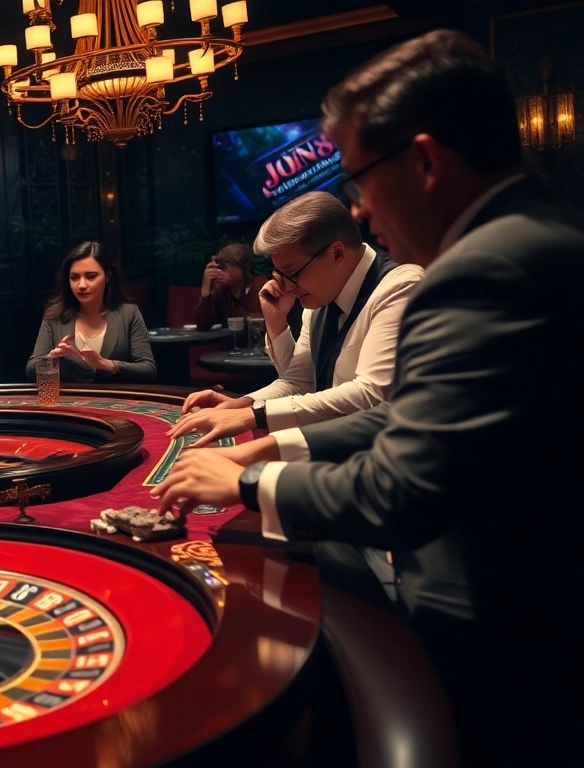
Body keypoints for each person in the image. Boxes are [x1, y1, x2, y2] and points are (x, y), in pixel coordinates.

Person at [152, 30, 580, 764]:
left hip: (513, 641)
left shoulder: (478, 272)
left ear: (423, 160)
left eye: (359, 178)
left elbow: (403, 488)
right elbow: (411, 417)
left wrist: (248, 480)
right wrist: (274, 440)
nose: (357, 210)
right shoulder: (542, 236)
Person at [169, 192, 422, 446]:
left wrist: (253, 415)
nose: (286, 286)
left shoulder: (400, 287)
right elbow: (300, 383)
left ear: (336, 254)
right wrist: (240, 404)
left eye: (292, 273)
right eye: (279, 274)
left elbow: (370, 395)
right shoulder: (322, 294)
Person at [25, 241, 156, 383]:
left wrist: (105, 364)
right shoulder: (55, 316)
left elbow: (148, 371)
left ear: (107, 276)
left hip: (118, 402)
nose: (81, 285)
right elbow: (31, 369)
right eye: (74, 278)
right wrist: (51, 358)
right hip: (70, 401)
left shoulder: (128, 314)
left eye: (90, 276)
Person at [194, 243, 265, 331]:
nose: (221, 271)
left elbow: (262, 322)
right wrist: (205, 291)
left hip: (257, 343)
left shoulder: (262, 286)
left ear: (245, 268)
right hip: (230, 343)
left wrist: (236, 291)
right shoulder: (221, 289)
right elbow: (203, 325)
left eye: (226, 266)